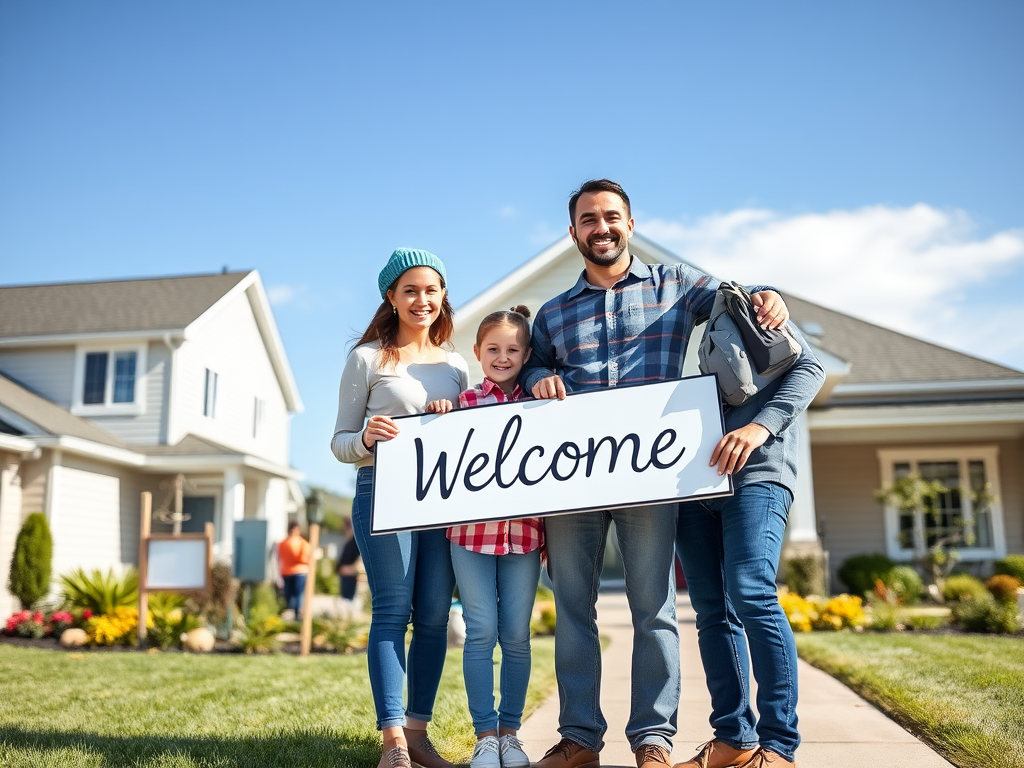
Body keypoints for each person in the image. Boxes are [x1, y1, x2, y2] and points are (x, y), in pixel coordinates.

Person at [522, 179, 792, 768]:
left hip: (652, 476)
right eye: (588, 220)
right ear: (573, 233)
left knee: (655, 608)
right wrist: (536, 378)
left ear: (630, 224)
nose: (602, 228)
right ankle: (579, 739)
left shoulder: (675, 286)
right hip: (574, 478)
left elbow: (735, 300)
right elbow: (530, 367)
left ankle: (653, 738)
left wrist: (768, 294)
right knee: (573, 609)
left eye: (611, 217)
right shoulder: (552, 313)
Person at [331, 248, 468, 768]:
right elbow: (339, 442)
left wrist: (454, 414)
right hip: (383, 494)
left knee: (434, 615)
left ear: (442, 297)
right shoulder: (367, 358)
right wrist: (366, 437)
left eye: (431, 290)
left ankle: (417, 734)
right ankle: (391, 740)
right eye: (410, 290)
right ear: (391, 297)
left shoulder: (456, 365)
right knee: (393, 609)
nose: (422, 300)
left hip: (440, 497)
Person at [674, 328, 823, 768]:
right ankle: (734, 738)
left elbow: (810, 367)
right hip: (686, 483)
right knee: (712, 611)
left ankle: (778, 745)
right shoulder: (650, 320)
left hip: (756, 473)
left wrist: (761, 426)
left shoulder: (740, 303)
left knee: (751, 592)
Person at [433, 306, 544, 768]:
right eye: (493, 349)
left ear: (527, 353)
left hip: (525, 536)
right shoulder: (462, 406)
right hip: (469, 537)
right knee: (480, 632)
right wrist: (437, 416)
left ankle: (510, 734)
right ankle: (484, 736)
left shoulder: (541, 402)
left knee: (516, 635)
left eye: (513, 349)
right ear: (477, 352)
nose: (503, 357)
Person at [277, 522, 311, 619]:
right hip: (296, 571)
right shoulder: (302, 543)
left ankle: (296, 612)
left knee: (294, 594)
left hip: (293, 571)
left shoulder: (283, 544)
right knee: (295, 594)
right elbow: (304, 559)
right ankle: (296, 612)